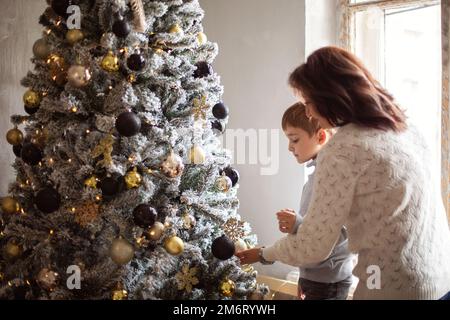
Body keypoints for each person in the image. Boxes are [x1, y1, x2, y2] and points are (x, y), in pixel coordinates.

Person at [237, 46, 450, 300]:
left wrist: (263, 254)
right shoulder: (405, 128)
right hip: (441, 278)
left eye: (308, 103)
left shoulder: (342, 150)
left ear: (329, 97)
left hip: (391, 289)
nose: (308, 113)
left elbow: (313, 246)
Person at [239, 102, 354, 300]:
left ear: (320, 136)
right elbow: (316, 226)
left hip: (329, 281)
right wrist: (305, 275)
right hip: (315, 276)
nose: (289, 147)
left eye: (294, 139)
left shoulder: (332, 177)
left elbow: (334, 235)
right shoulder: (316, 174)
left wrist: (298, 224)